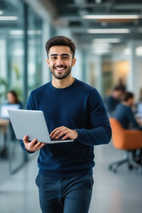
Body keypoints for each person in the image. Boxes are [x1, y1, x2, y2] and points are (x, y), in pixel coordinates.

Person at [20, 36, 112, 213]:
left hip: (79, 177)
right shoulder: (36, 96)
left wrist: (76, 133)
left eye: (64, 56)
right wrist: (29, 147)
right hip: (46, 176)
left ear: (73, 61)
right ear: (48, 61)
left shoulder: (89, 94)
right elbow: (24, 139)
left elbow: (105, 134)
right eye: (54, 57)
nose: (59, 62)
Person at [114, 91, 142, 164]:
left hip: (119, 135)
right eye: (133, 99)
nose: (134, 101)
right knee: (140, 131)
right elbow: (135, 124)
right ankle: (138, 160)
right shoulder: (127, 108)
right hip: (125, 135)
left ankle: (134, 157)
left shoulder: (119, 106)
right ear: (129, 99)